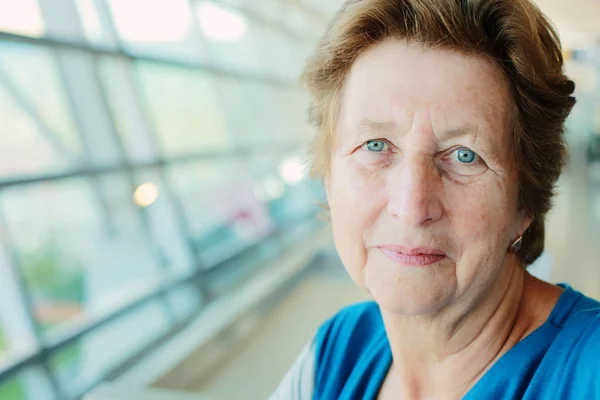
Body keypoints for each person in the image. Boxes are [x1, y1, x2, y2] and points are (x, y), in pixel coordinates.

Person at [270, 0, 600, 399]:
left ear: (525, 202)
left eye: (465, 155)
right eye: (376, 145)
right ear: (327, 175)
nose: (411, 207)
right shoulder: (334, 353)